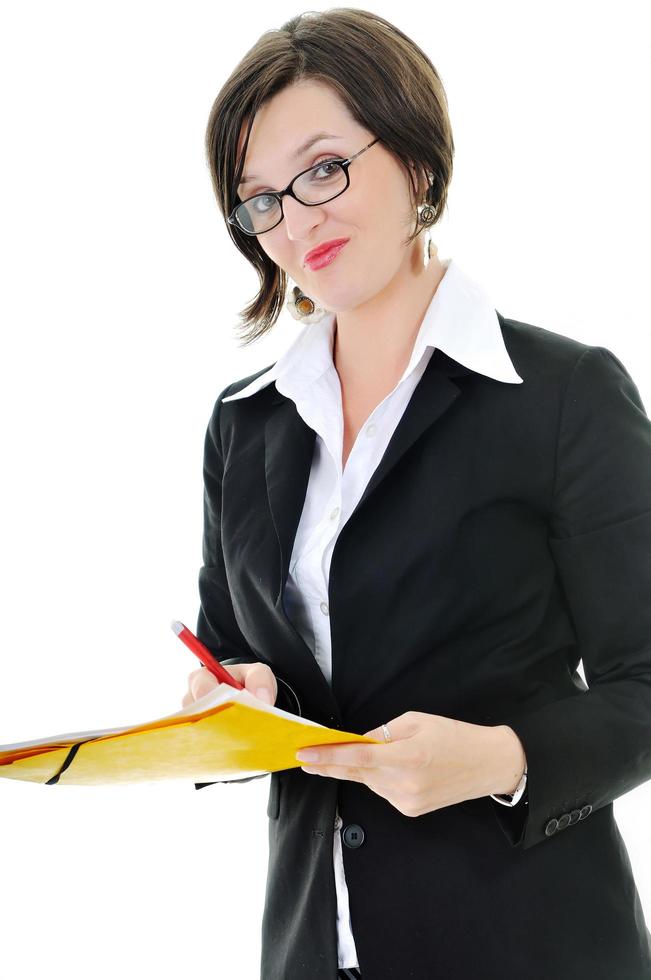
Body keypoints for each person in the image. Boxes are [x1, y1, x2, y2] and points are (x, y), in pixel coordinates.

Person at [181, 8, 651, 979]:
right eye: (260, 197)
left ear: (418, 163)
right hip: (313, 944)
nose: (295, 218)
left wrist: (500, 759)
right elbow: (232, 640)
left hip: (526, 942)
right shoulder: (247, 421)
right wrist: (240, 691)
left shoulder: (562, 396)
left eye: (322, 169)